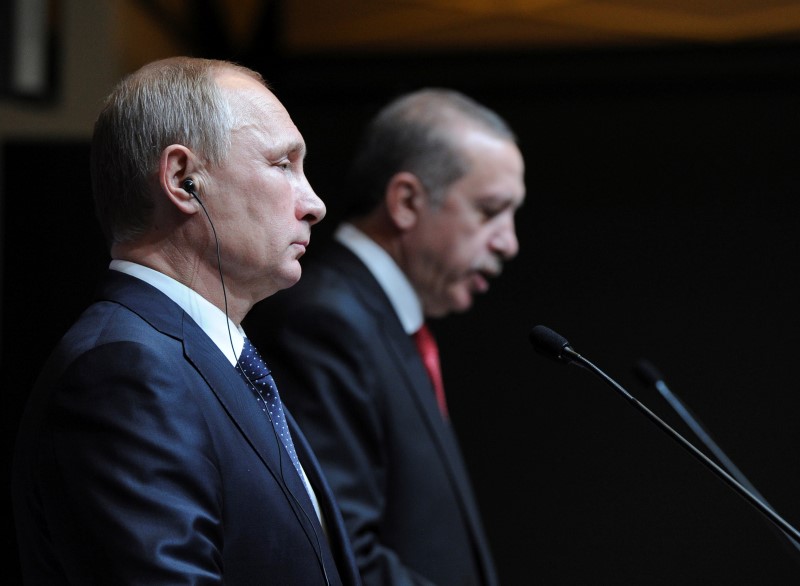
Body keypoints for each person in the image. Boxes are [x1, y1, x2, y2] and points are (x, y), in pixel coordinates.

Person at [11, 56, 361, 585]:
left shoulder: (213, 360)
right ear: (183, 179)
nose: (314, 204)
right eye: (282, 164)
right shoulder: (125, 371)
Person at [245, 88, 526, 585]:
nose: (509, 242)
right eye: (489, 211)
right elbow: (342, 550)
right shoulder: (324, 322)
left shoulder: (384, 320)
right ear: (406, 202)